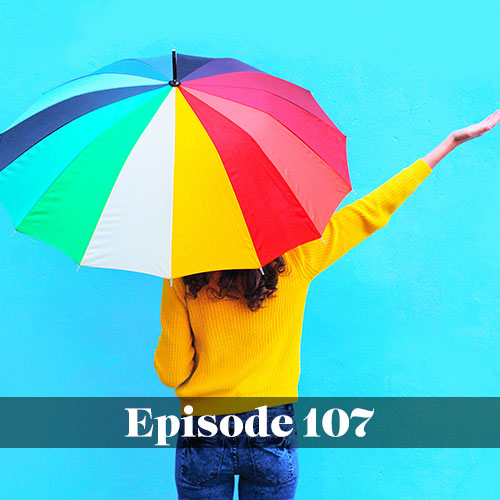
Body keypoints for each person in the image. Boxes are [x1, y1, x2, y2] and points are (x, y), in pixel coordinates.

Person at [154, 110, 500, 500]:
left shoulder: (183, 277)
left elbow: (171, 372)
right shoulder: (298, 260)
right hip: (270, 425)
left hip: (204, 429)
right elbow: (369, 213)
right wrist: (448, 144)